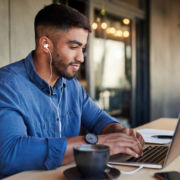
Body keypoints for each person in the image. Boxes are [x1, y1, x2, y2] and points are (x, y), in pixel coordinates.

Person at [0, 4, 144, 178]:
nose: (81, 58)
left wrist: (120, 133)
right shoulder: (7, 84)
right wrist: (96, 142)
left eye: (82, 48)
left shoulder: (71, 84)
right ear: (45, 44)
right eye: (74, 47)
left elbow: (98, 118)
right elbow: (10, 154)